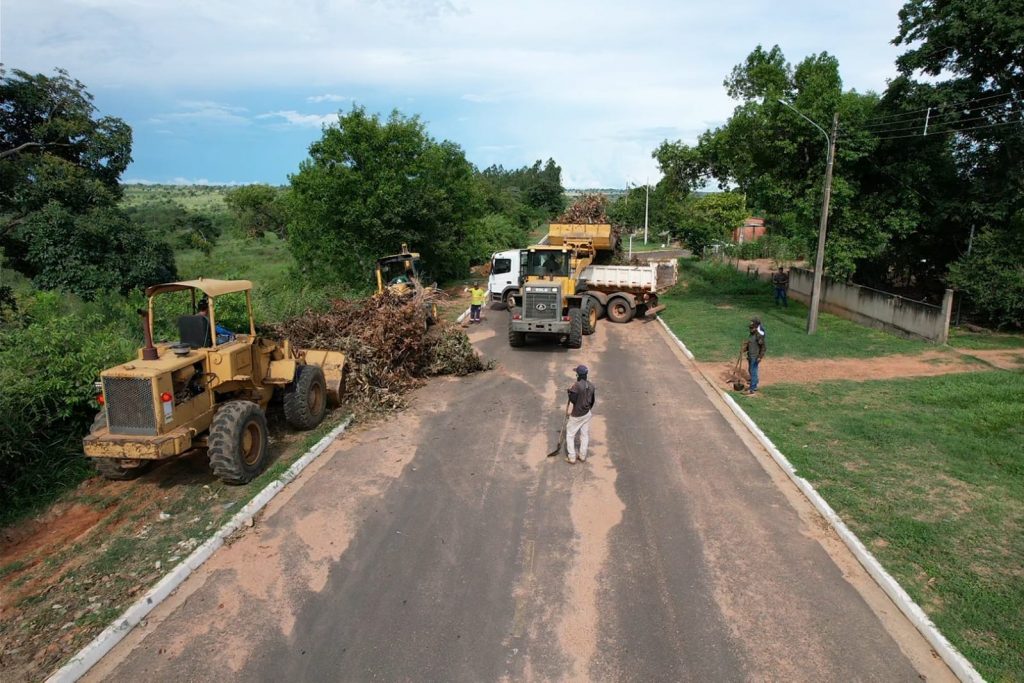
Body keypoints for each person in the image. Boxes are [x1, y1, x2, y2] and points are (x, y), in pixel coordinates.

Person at [565, 364, 596, 464]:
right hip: (587, 414)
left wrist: (569, 393)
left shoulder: (576, 386)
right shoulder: (591, 385)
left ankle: (572, 457)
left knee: (570, 435)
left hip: (577, 415)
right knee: (584, 435)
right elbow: (592, 401)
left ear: (578, 375)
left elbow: (573, 400)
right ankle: (582, 456)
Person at [742, 317, 766, 395]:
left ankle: (752, 389)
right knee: (751, 370)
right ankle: (754, 385)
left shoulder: (759, 336)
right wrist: (744, 349)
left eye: (751, 328)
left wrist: (760, 357)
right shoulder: (751, 334)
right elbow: (750, 344)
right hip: (750, 355)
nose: (750, 329)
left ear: (755, 328)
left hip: (755, 357)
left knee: (753, 371)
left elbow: (763, 347)